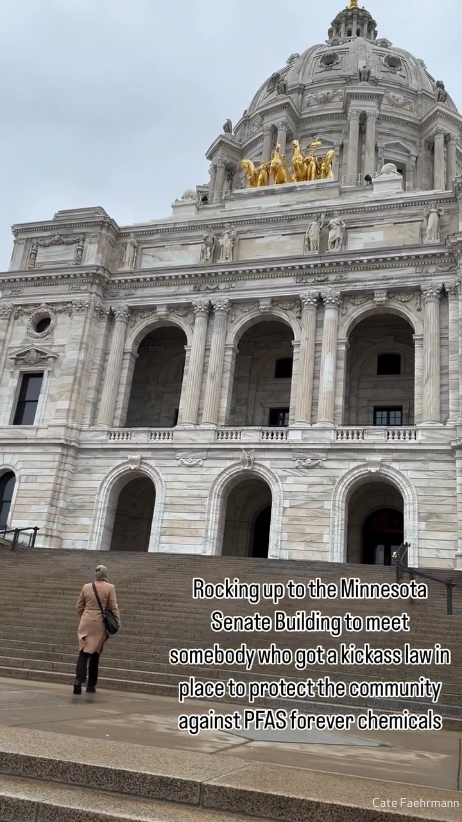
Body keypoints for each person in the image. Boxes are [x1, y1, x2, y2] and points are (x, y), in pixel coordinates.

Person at [74, 564, 120, 694]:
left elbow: (79, 606)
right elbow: (113, 606)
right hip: (99, 623)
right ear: (105, 575)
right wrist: (117, 621)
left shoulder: (86, 587)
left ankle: (78, 681)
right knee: (95, 653)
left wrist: (84, 616)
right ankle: (90, 686)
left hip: (85, 621)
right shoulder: (110, 587)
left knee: (83, 652)